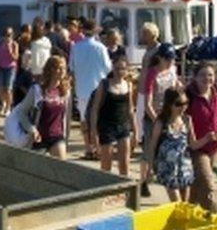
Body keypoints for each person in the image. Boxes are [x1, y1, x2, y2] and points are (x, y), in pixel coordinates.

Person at [186, 61, 217, 212]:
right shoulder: (188, 96)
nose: (207, 78)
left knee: (196, 185)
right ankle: (213, 218)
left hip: (214, 147)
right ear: (195, 77)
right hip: (196, 148)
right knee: (208, 184)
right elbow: (180, 117)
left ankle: (189, 213)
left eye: (211, 75)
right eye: (203, 75)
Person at [138, 42, 180, 197]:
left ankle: (166, 175)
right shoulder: (152, 74)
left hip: (169, 115)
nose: (170, 62)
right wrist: (157, 121)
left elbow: (176, 87)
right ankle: (143, 180)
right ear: (160, 58)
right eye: (167, 59)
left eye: (172, 59)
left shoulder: (172, 71)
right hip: (153, 117)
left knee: (168, 148)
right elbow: (147, 103)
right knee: (149, 150)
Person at [146, 88, 200, 202]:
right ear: (169, 104)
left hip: (184, 167)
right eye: (178, 104)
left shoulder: (187, 119)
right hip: (168, 169)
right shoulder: (161, 122)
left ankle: (180, 220)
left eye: (186, 103)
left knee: (185, 204)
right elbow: (152, 146)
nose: (183, 107)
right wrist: (149, 168)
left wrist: (208, 138)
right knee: (177, 203)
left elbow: (193, 144)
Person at [69, 19, 112, 160]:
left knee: (84, 119)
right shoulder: (101, 48)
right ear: (95, 32)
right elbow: (108, 68)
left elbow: (72, 68)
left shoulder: (75, 47)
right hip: (98, 88)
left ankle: (88, 148)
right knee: (98, 119)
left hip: (82, 88)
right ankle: (98, 148)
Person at [89, 56, 136, 177]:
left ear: (127, 70)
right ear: (112, 68)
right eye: (117, 68)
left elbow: (130, 109)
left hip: (123, 126)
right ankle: (105, 191)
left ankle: (125, 193)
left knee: (125, 164)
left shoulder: (129, 85)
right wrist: (94, 131)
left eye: (123, 69)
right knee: (106, 165)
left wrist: (135, 130)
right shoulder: (104, 84)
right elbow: (95, 109)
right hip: (106, 126)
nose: (120, 71)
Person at [18, 55, 71, 159]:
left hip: (57, 137)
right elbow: (22, 112)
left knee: (61, 170)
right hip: (39, 137)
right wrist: (31, 129)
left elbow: (67, 117)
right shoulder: (37, 90)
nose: (62, 71)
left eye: (64, 68)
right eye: (59, 68)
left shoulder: (66, 92)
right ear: (51, 70)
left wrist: (66, 137)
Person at [0, 27, 18, 116]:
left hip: (10, 68)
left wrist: (10, 50)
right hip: (0, 67)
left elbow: (15, 58)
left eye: (9, 35)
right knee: (0, 89)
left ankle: (8, 108)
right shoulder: (0, 43)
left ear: (12, 35)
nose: (7, 37)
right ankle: (3, 104)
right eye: (5, 34)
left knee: (8, 89)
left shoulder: (14, 44)